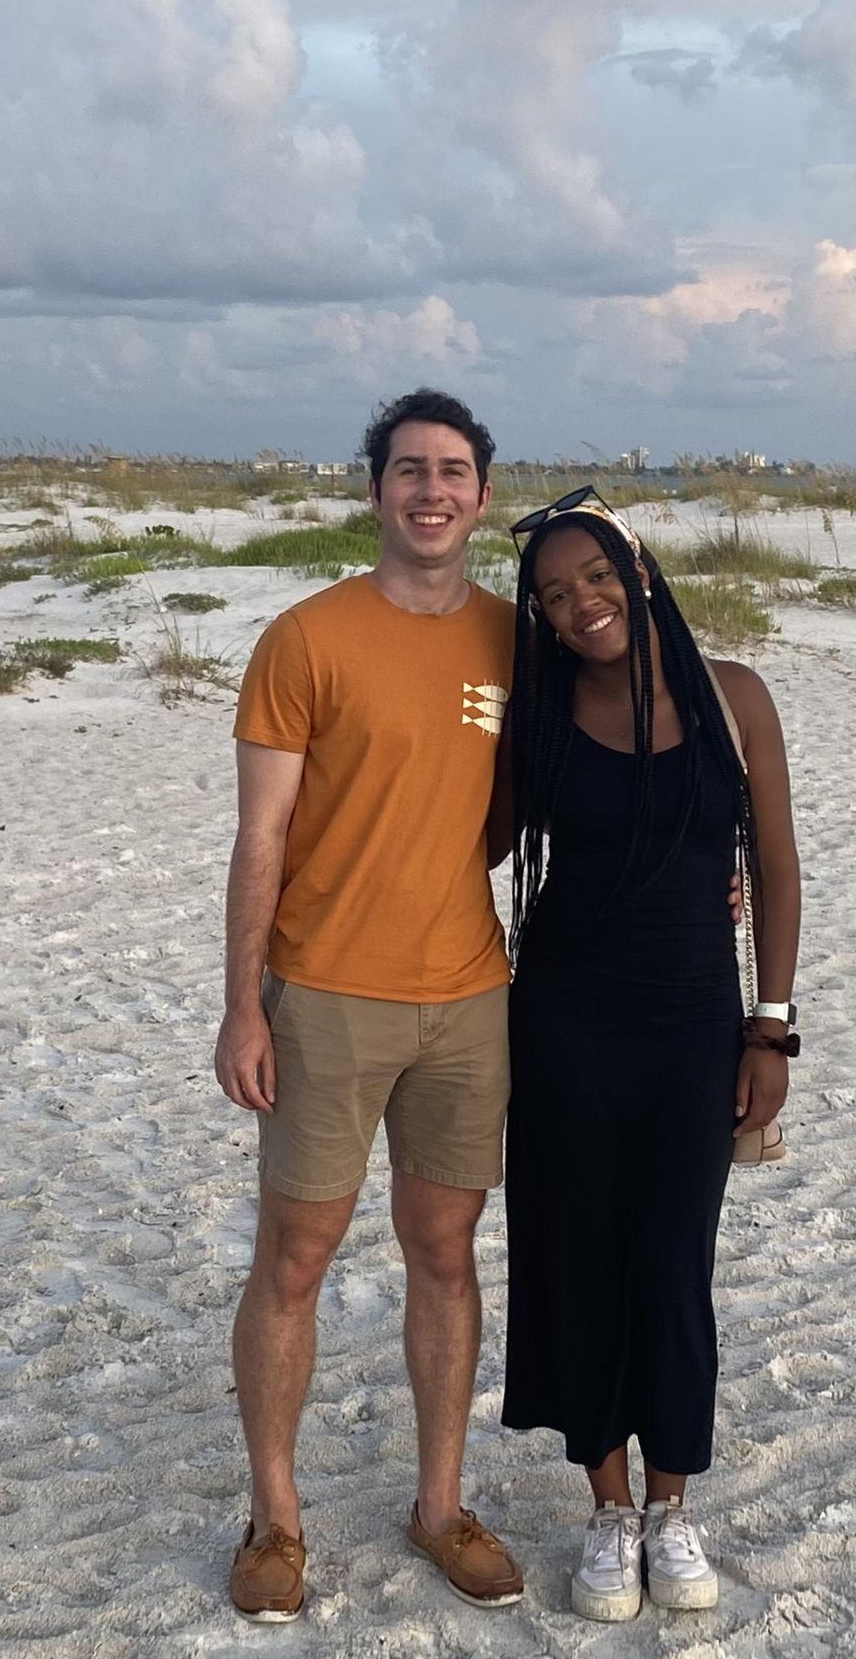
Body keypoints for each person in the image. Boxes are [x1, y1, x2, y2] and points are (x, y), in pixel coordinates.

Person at [215, 388, 526, 1622]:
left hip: (468, 997)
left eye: (452, 471)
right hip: (324, 997)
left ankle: (438, 1501)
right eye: (408, 470)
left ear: (483, 495)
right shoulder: (306, 637)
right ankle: (275, 1518)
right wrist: (241, 1006)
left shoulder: (517, 641)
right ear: (373, 490)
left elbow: (599, 767)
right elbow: (259, 834)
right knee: (294, 1257)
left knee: (444, 1251)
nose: (431, 490)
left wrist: (705, 856)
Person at [496, 487, 801, 1624]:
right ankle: (607, 1509)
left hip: (690, 1022)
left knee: (673, 1260)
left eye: (593, 578)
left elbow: (773, 864)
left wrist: (769, 1022)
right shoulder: (537, 706)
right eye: (551, 595)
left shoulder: (734, 698)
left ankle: (673, 1507)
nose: (578, 605)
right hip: (564, 1019)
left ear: (639, 571)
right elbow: (474, 836)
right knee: (577, 1255)